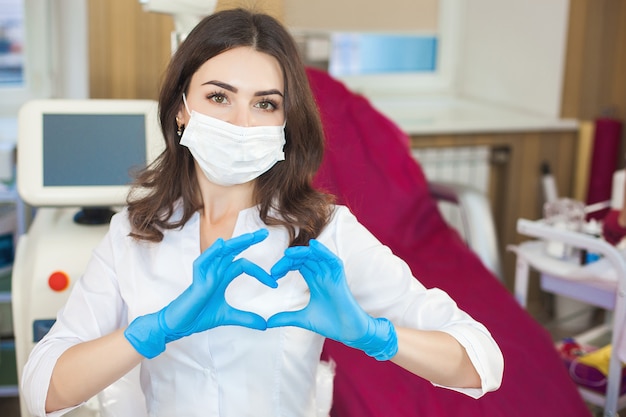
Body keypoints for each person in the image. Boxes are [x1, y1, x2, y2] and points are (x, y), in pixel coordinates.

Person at [22, 8, 503, 417]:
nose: (241, 123)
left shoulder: (323, 234)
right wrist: (153, 331)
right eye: (218, 97)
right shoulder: (135, 232)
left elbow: (481, 362)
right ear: (181, 109)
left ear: (285, 122)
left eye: (265, 104)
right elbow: (42, 388)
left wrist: (376, 335)